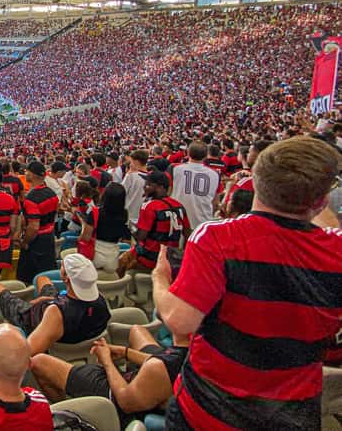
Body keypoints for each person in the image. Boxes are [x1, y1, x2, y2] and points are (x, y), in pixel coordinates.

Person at [154, 136, 342, 430]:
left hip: (210, 408)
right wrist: (315, 201)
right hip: (293, 412)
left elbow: (180, 321)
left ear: (255, 180)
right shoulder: (335, 249)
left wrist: (160, 281)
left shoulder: (217, 238)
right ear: (321, 202)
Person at [31, 324, 189, 427]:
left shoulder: (160, 368)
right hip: (151, 381)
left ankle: (72, 408)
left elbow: (126, 402)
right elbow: (169, 361)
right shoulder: (196, 348)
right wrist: (125, 352)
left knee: (38, 362)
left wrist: (107, 361)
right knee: (137, 330)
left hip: (122, 399)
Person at [0, 254, 110, 357]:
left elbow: (27, 349)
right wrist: (50, 300)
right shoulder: (101, 301)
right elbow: (75, 306)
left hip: (30, 318)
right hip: (64, 313)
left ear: (65, 278)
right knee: (42, 279)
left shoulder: (56, 313)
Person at [128, 171, 190, 272]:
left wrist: (131, 228)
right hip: (171, 259)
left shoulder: (149, 206)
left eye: (148, 185)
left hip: (149, 259)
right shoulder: (179, 205)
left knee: (122, 262)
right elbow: (188, 234)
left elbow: (141, 236)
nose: (144, 187)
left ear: (160, 187)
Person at [16, 161, 58, 284]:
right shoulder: (51, 193)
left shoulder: (31, 199)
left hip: (36, 243)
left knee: (29, 278)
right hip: (49, 238)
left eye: (27, 171)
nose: (25, 173)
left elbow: (34, 227)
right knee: (48, 275)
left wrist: (25, 242)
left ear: (32, 175)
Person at [80, 182, 130, 273]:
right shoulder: (124, 214)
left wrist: (83, 224)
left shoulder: (95, 212)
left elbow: (85, 238)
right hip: (113, 260)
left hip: (94, 257)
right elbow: (125, 237)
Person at [170, 141, 219, 231]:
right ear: (206, 155)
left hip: (178, 219)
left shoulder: (175, 168)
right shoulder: (215, 174)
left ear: (188, 153)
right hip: (203, 220)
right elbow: (215, 203)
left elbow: (168, 192)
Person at [122, 150, 149, 228]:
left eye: (131, 161)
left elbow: (121, 192)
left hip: (129, 216)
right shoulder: (152, 177)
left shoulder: (131, 176)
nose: (130, 164)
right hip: (144, 217)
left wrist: (129, 172)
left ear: (136, 162)